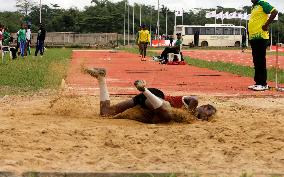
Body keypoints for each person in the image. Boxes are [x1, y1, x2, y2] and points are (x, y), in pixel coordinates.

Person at [83, 67, 217, 123]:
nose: (206, 117)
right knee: (167, 115)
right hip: (157, 96)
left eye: (208, 118)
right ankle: (144, 89)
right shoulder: (192, 104)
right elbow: (194, 99)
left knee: (106, 113)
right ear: (205, 107)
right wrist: (190, 114)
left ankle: (101, 78)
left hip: (146, 103)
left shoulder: (193, 117)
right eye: (208, 113)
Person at [248, 0, 278, 91]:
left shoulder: (262, 3)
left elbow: (274, 12)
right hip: (253, 37)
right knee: (256, 60)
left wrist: (266, 25)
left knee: (260, 60)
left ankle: (263, 83)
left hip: (261, 36)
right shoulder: (253, 6)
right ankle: (257, 82)